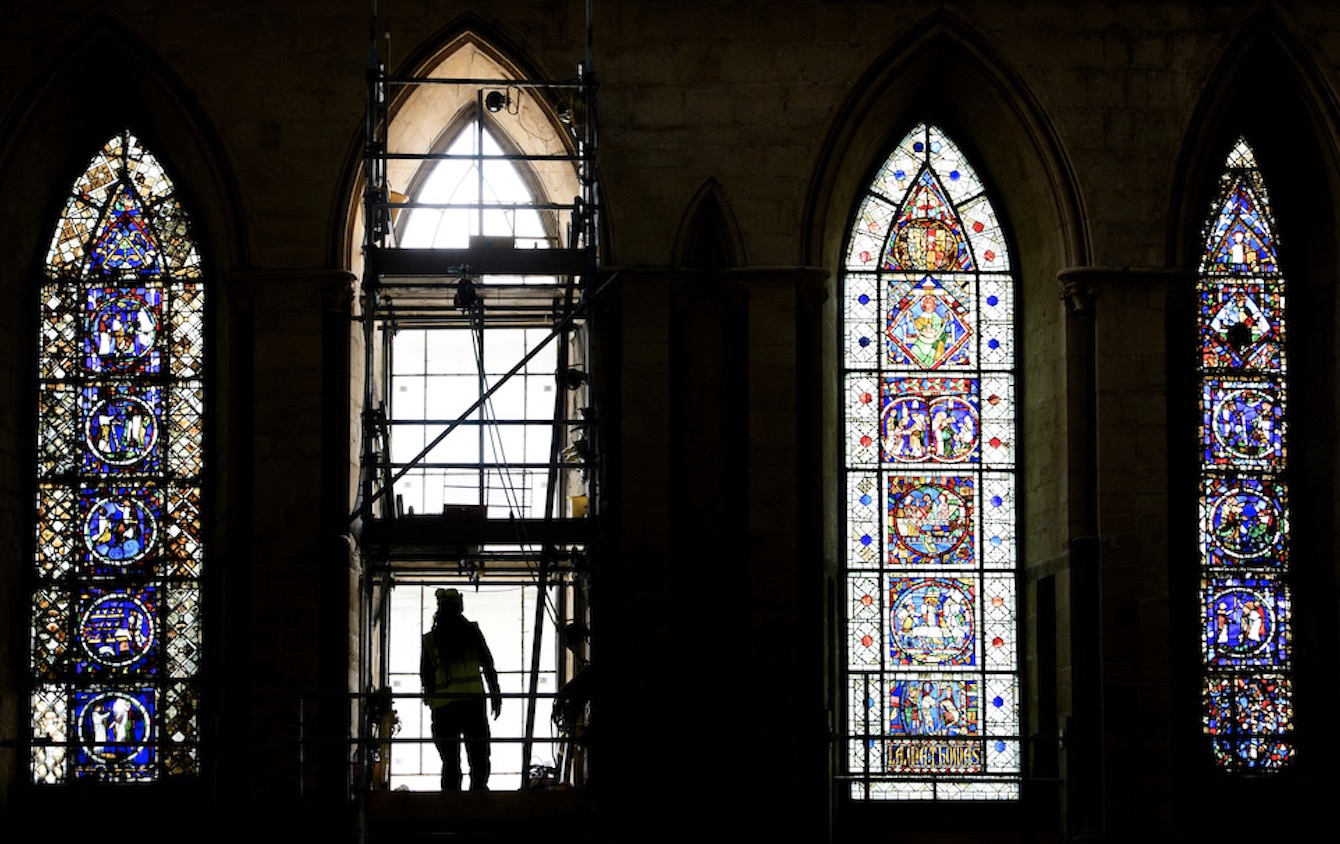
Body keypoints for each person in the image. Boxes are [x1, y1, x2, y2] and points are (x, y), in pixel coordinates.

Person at [420, 588, 502, 791]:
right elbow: (488, 664)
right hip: (473, 703)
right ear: (460, 606)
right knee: (478, 755)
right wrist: (495, 695)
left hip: (444, 708)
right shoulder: (471, 632)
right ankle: (478, 795)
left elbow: (426, 676)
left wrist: (431, 702)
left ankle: (451, 800)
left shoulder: (430, 640)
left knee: (450, 761)